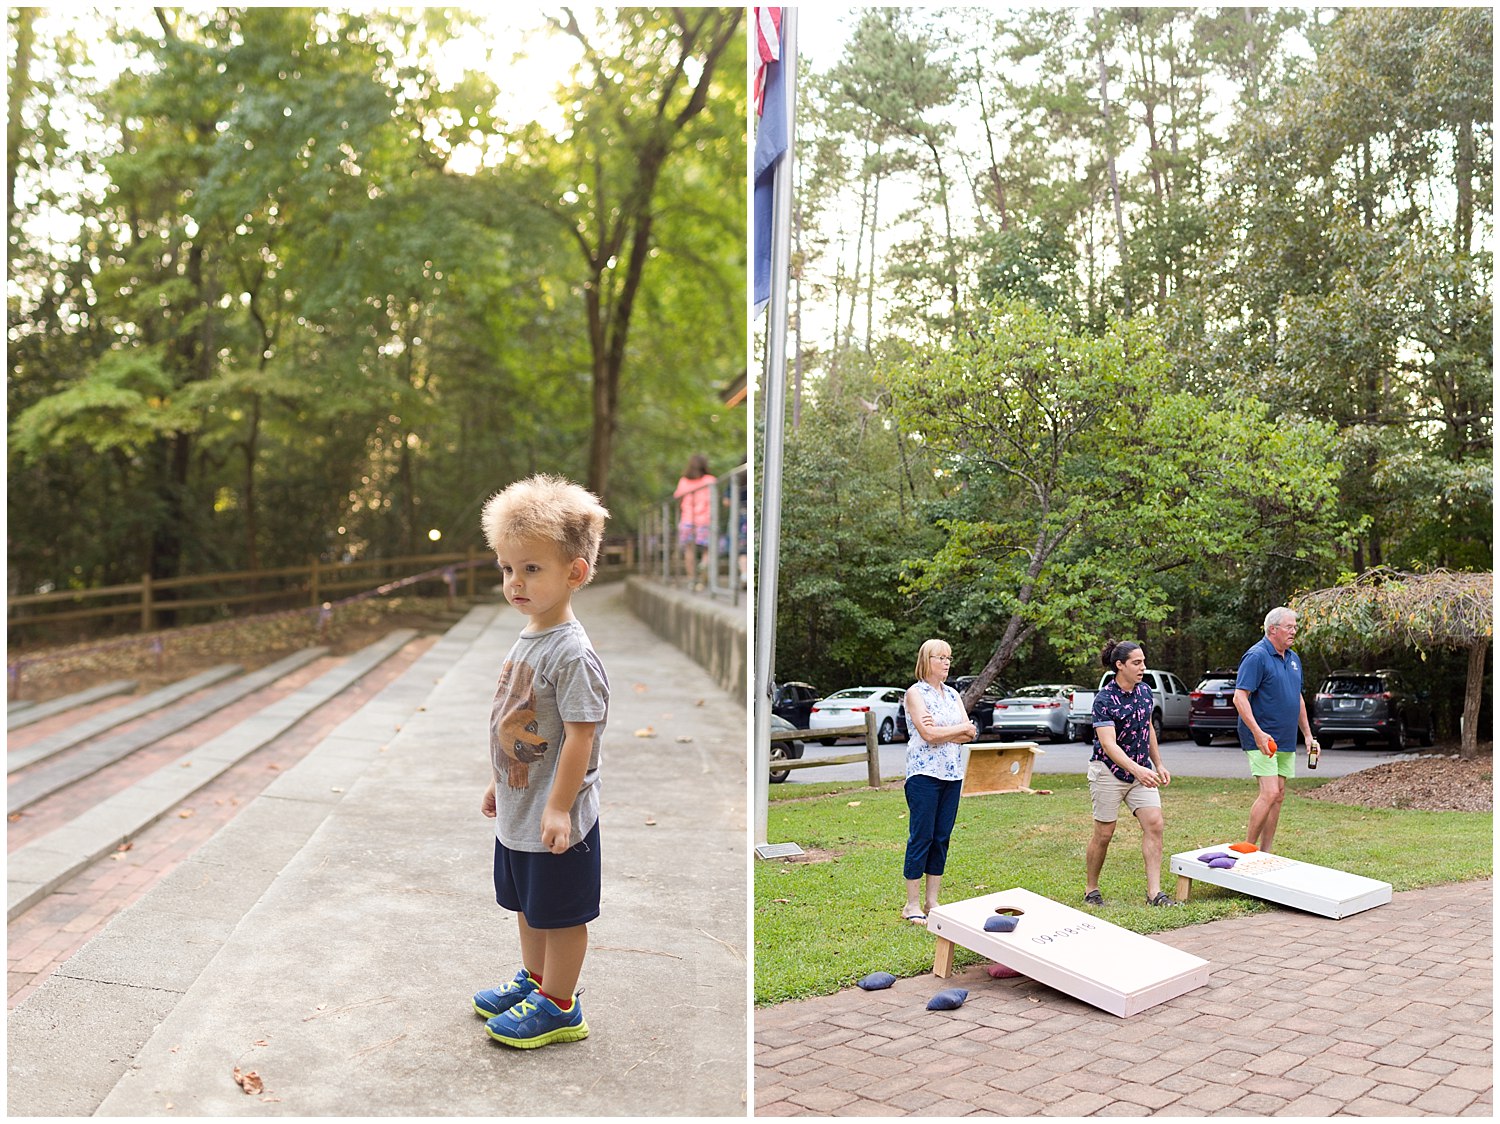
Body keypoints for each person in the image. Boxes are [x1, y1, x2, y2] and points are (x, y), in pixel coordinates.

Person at [473, 474, 610, 1049]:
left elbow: (581, 734)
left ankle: (560, 1004)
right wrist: (497, 779)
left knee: (561, 913)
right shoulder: (529, 635)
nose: (515, 582)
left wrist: (558, 807)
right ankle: (535, 982)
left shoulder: (571, 651)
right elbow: (516, 718)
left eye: (532, 569)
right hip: (519, 803)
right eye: (508, 568)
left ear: (574, 573)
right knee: (528, 906)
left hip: (555, 816)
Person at [1084, 639, 1179, 908]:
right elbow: (1108, 744)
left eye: (1143, 662)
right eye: (1137, 663)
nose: (1143, 667)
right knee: (1104, 833)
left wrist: (1157, 764)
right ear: (1120, 665)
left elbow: (1147, 728)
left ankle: (1154, 893)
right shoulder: (1104, 699)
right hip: (1108, 771)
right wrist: (1138, 769)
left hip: (1141, 772)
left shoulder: (1145, 692)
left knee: (1155, 824)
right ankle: (1091, 888)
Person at [900, 639, 979, 924]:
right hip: (923, 775)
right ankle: (911, 904)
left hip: (952, 773)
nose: (946, 663)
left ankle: (932, 901)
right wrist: (958, 729)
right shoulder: (915, 693)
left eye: (949, 657)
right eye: (941, 657)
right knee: (922, 836)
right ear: (927, 660)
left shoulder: (952, 694)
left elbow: (969, 734)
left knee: (942, 837)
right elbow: (928, 734)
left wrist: (950, 730)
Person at [1234, 606, 1318, 855]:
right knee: (1269, 793)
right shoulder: (1256, 656)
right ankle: (1247, 849)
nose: (1294, 631)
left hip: (1285, 738)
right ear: (1273, 629)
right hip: (1262, 737)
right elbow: (1240, 698)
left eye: (1295, 627)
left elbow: (1298, 698)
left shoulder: (1293, 658)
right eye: (1289, 627)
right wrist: (1258, 733)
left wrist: (1308, 735)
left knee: (1279, 795)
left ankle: (1266, 852)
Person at [673, 454, 717, 591]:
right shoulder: (710, 480)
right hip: (705, 520)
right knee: (707, 550)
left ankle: (691, 579)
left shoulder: (684, 481)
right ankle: (703, 570)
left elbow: (678, 498)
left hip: (687, 519)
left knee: (689, 550)